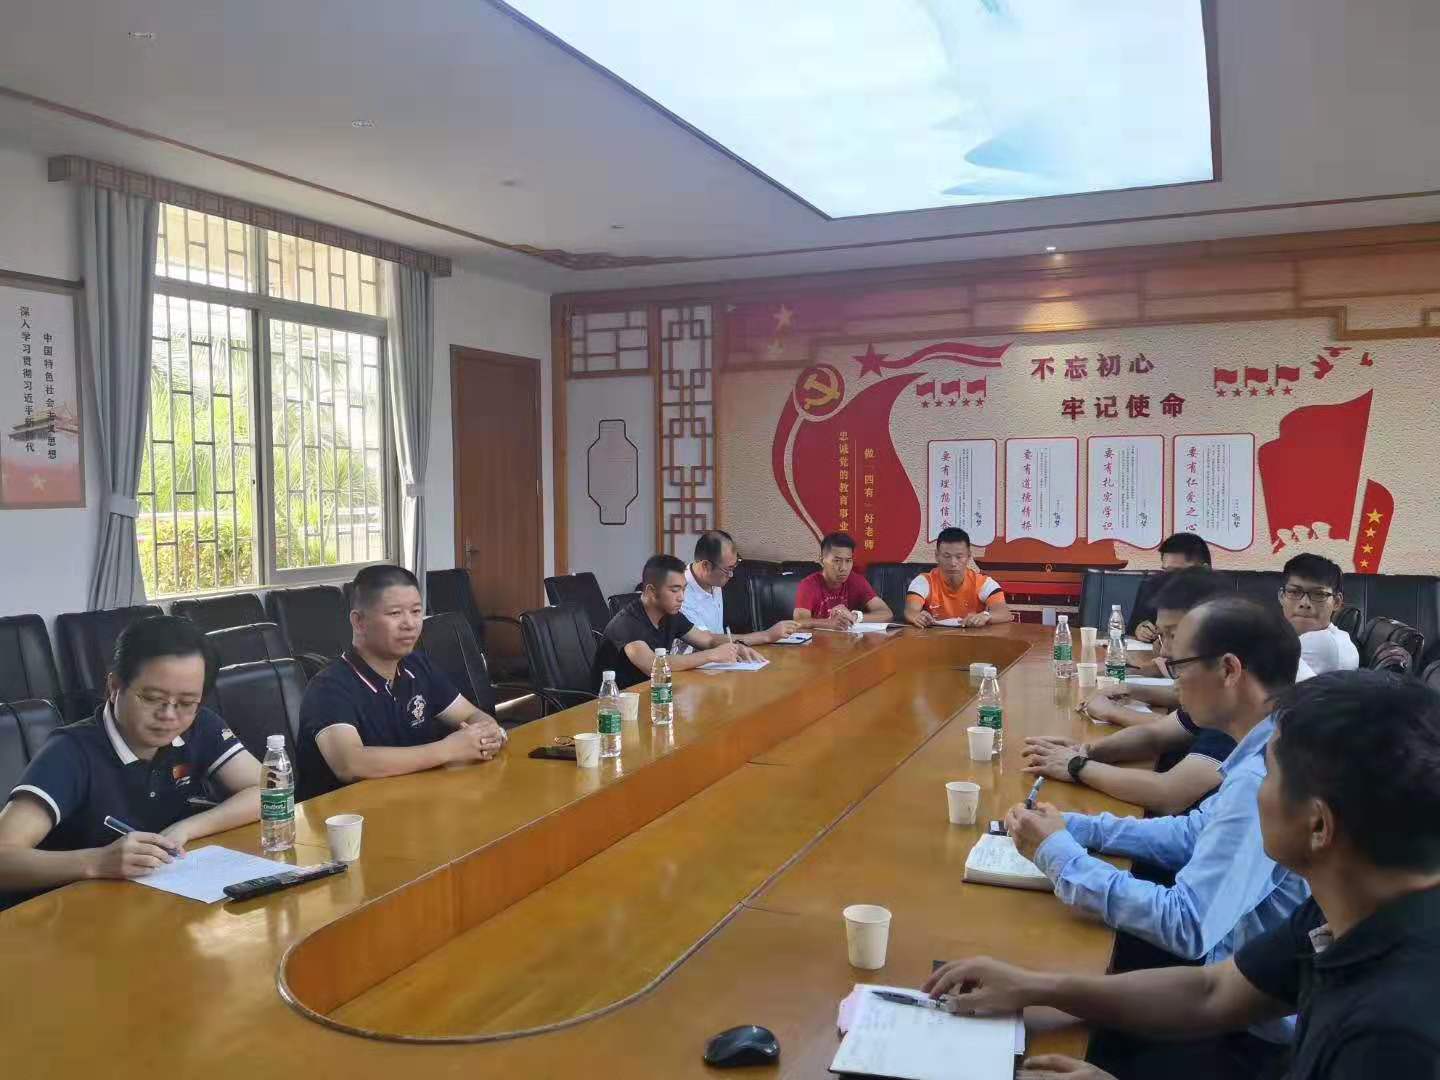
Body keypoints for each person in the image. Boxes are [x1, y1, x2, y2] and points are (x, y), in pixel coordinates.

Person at [925, 671, 1440, 1080]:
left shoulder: (1393, 1036)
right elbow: (1214, 992)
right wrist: (1037, 987)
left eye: (1269, 774)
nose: (1249, 790)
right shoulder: (1347, 907)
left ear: (1319, 825)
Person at [1002, 597, 1310, 1019]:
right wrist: (1075, 828)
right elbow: (1192, 833)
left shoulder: (1263, 776)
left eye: (1179, 665)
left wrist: (1060, 857)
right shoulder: (1268, 743)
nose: (1173, 679)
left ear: (1228, 670)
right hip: (1221, 979)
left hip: (1237, 1017)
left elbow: (1187, 924)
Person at [0, 616, 262, 909]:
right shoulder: (70, 752)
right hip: (65, 912)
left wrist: (186, 829)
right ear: (114, 686)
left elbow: (269, 792)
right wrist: (97, 861)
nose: (169, 715)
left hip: (153, 901)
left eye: (187, 703)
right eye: (151, 698)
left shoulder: (201, 726)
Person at [1023, 570, 1233, 815]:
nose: (1164, 651)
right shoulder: (1214, 693)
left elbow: (1169, 793)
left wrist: (1077, 766)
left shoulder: (1239, 712)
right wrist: (1087, 750)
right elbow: (1156, 734)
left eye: (1174, 635)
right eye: (1162, 635)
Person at [296, 564, 507, 801]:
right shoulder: (328, 687)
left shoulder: (418, 666)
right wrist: (448, 749)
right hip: (350, 817)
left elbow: (471, 714)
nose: (410, 623)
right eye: (395, 613)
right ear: (359, 622)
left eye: (416, 611)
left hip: (415, 803)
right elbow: (350, 764)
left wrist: (488, 734)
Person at [594, 554, 764, 689]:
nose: (681, 597)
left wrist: (736, 646)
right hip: (613, 706)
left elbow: (708, 640)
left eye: (684, 589)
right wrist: (712, 655)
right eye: (675, 590)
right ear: (651, 591)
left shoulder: (670, 615)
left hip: (655, 695)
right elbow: (652, 665)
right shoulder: (627, 623)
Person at [680, 529, 798, 642]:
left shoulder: (713, 579)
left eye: (735, 565)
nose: (731, 575)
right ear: (706, 566)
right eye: (728, 569)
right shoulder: (680, 594)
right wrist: (767, 635)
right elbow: (707, 641)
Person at [903, 527, 1013, 628]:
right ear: (937, 556)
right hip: (935, 639)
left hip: (973, 639)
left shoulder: (984, 583)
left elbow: (1004, 613)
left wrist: (986, 616)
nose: (953, 563)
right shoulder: (923, 581)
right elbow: (911, 611)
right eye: (946, 556)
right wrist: (917, 616)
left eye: (959, 557)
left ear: (968, 556)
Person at [792, 532, 893, 630]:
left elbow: (887, 614)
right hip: (817, 640)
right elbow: (799, 621)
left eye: (848, 561)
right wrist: (829, 623)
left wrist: (855, 616)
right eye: (837, 561)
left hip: (848, 640)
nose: (843, 568)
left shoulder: (856, 581)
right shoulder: (808, 585)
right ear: (822, 560)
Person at [1279, 553, 1359, 675]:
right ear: (1281, 597)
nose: (1305, 603)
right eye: (1294, 592)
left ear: (1337, 602)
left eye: (1318, 594)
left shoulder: (1323, 643)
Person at [1128, 532, 1212, 642]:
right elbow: (1132, 627)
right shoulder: (1153, 587)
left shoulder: (1223, 600)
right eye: (1166, 571)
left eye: (1178, 572)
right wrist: (1139, 629)